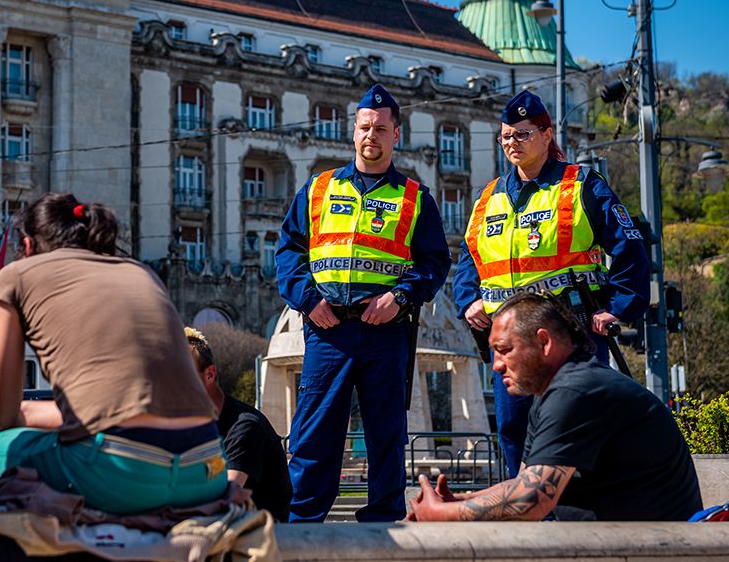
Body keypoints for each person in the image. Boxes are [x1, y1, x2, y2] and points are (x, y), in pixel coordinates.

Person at [0, 194, 227, 514]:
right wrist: (25, 413)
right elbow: (125, 406)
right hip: (206, 469)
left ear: (28, 246)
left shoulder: (16, 276)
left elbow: (0, 417)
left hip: (120, 473)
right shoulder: (141, 272)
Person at [276, 83, 452, 522]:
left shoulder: (415, 198)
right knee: (314, 431)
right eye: (364, 127)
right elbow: (288, 252)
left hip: (385, 330)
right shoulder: (317, 190)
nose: (370, 135)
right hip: (328, 328)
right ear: (352, 132)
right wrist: (307, 299)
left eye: (380, 128)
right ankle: (303, 524)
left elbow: (434, 262)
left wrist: (400, 296)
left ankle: (383, 521)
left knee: (386, 434)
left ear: (397, 134)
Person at [452, 89, 649, 478]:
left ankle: (581, 521)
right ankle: (527, 519)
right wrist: (467, 299)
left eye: (523, 134)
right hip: (510, 337)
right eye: (506, 136)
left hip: (572, 331)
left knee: (576, 425)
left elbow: (629, 245)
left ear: (546, 135)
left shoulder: (581, 184)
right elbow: (468, 257)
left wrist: (619, 308)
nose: (513, 143)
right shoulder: (488, 197)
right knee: (515, 432)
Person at [409, 292, 702, 521]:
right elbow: (523, 483)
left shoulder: (575, 391)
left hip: (652, 547)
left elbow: (531, 502)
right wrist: (458, 501)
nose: (496, 365)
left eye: (505, 350)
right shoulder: (557, 390)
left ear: (543, 343)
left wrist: (441, 514)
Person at [185, 326, 292, 522]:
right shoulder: (190, 426)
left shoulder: (246, 427)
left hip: (261, 539)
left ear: (209, 374)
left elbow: (221, 498)